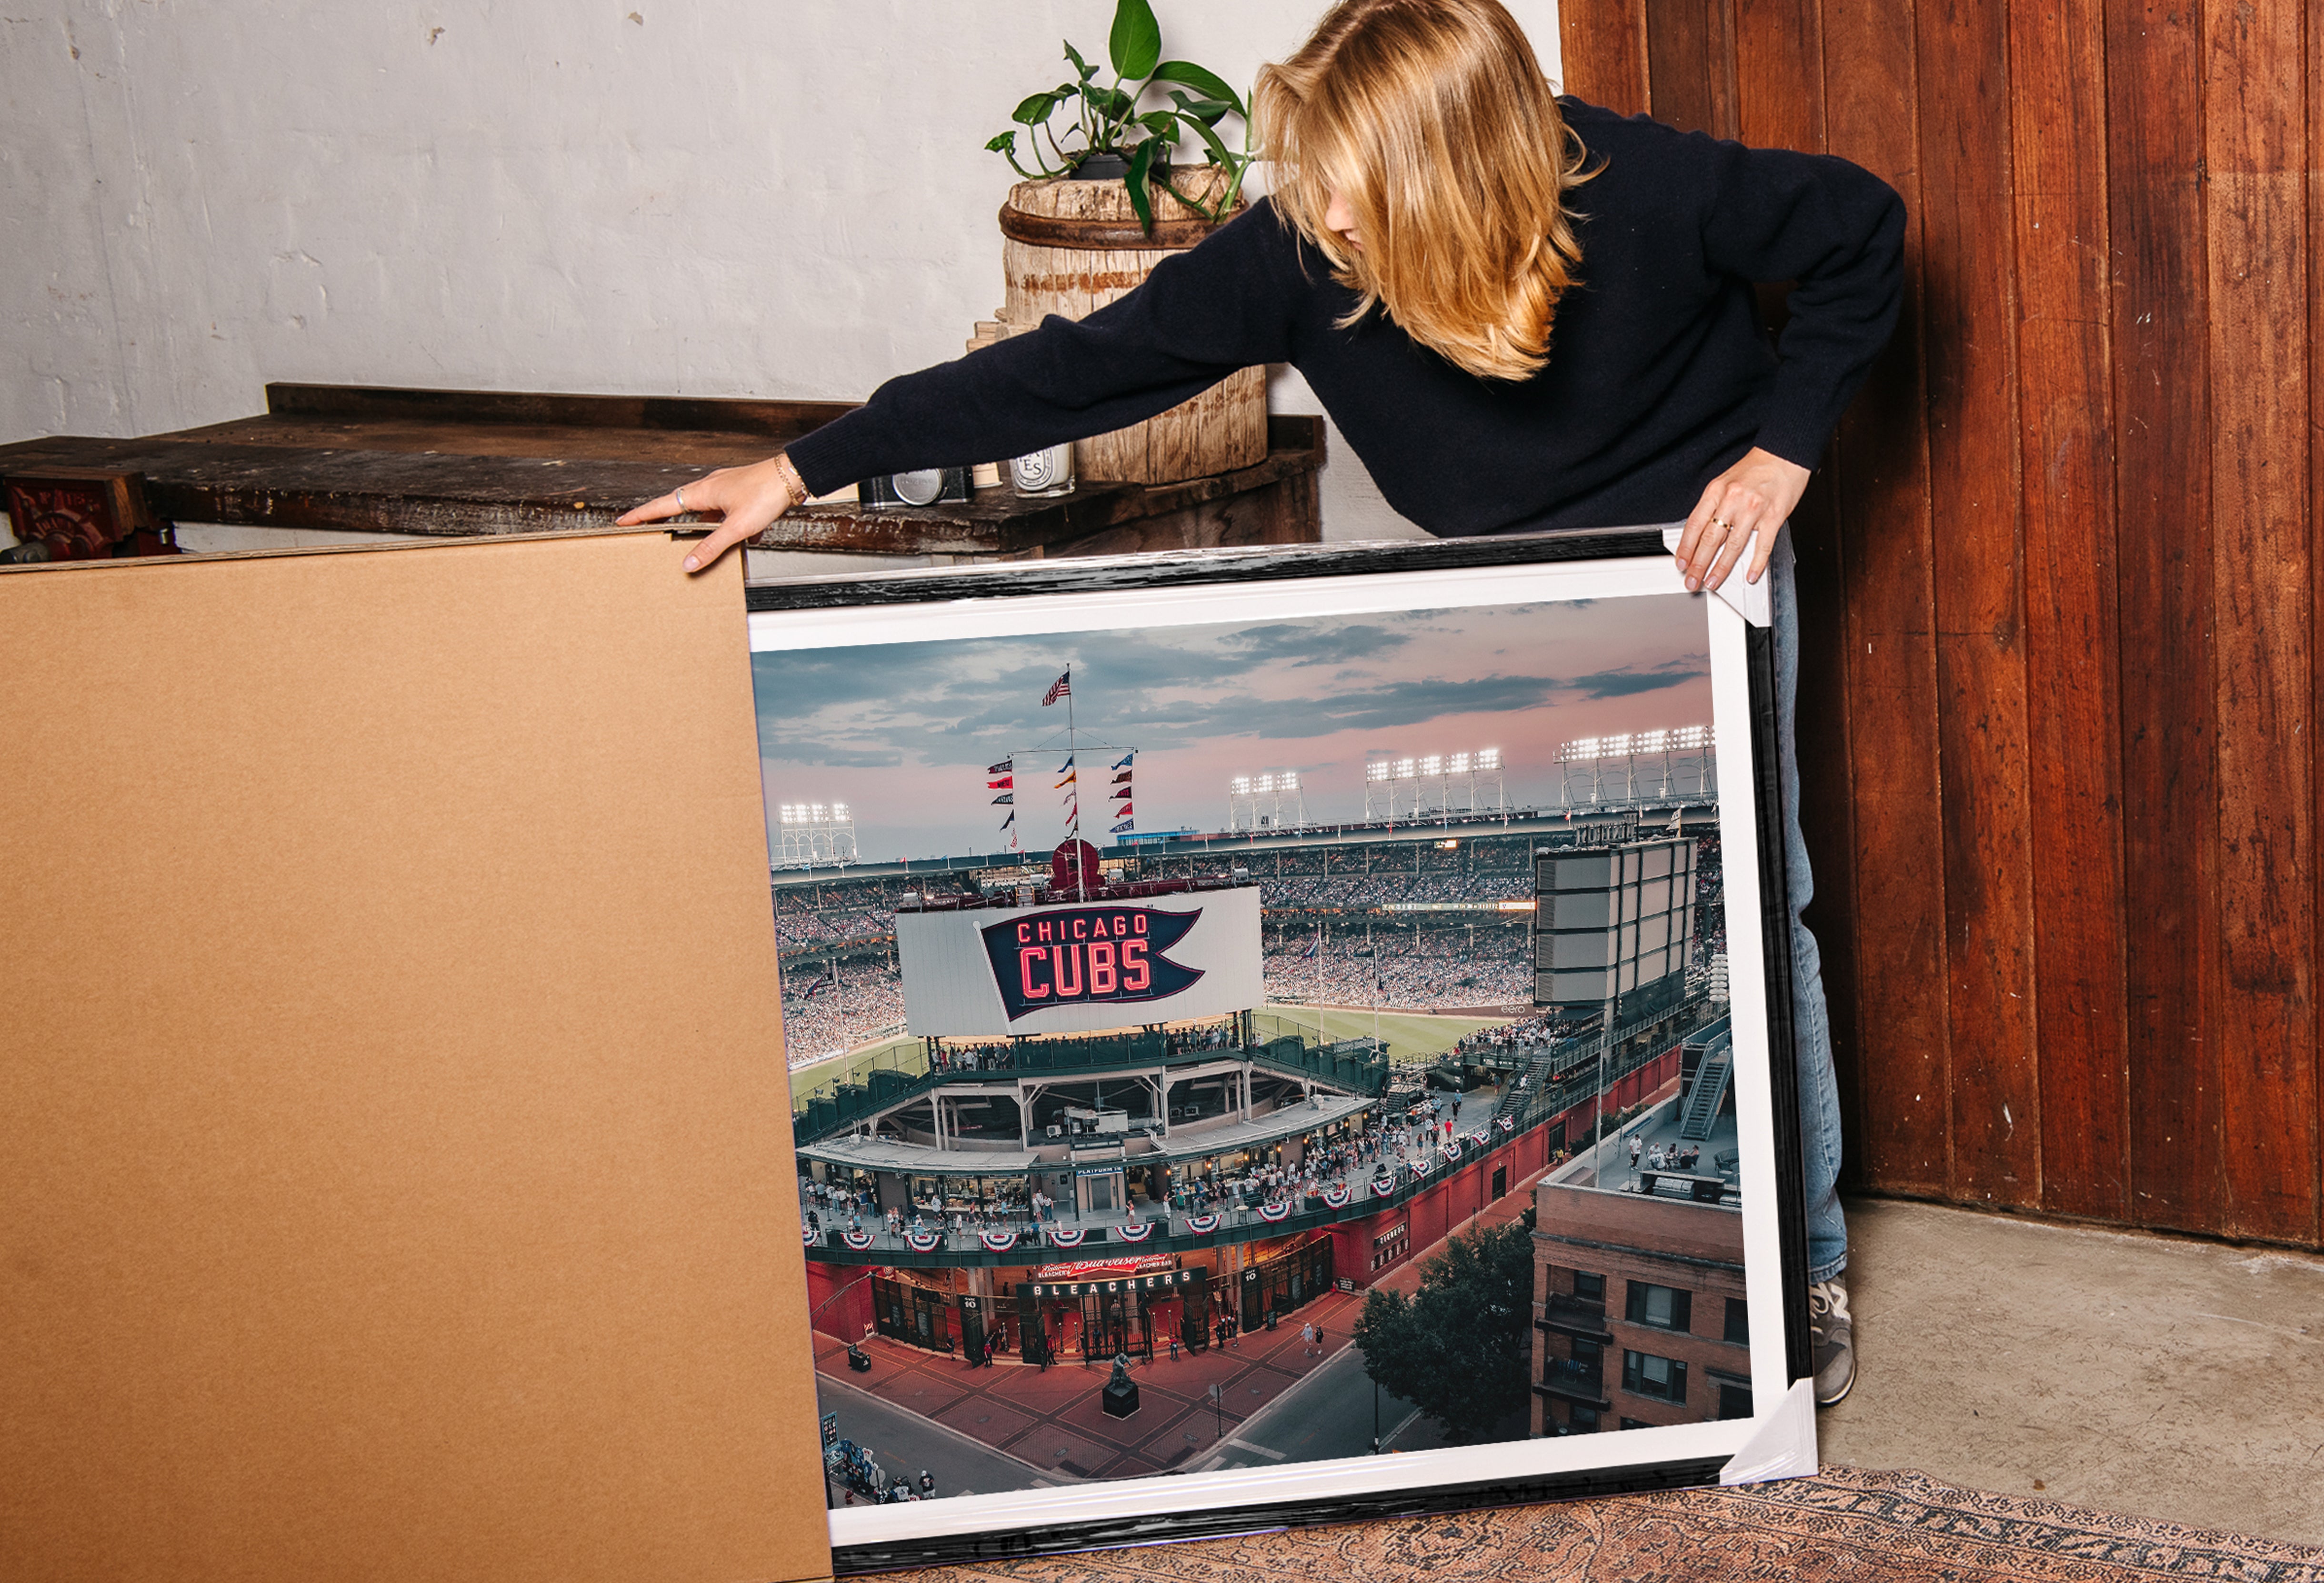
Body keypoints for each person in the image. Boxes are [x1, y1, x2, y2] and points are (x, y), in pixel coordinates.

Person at [629, 0, 1891, 1408]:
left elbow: (1862, 232)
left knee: (1764, 913)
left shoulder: (1642, 184)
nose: (1323, 204)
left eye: (1353, 173)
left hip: (1700, 577)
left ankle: (1813, 1257)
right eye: (1314, 167)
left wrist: (1784, 454)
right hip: (1528, 598)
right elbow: (1058, 375)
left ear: (1458, 165)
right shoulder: (1305, 250)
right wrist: (804, 471)